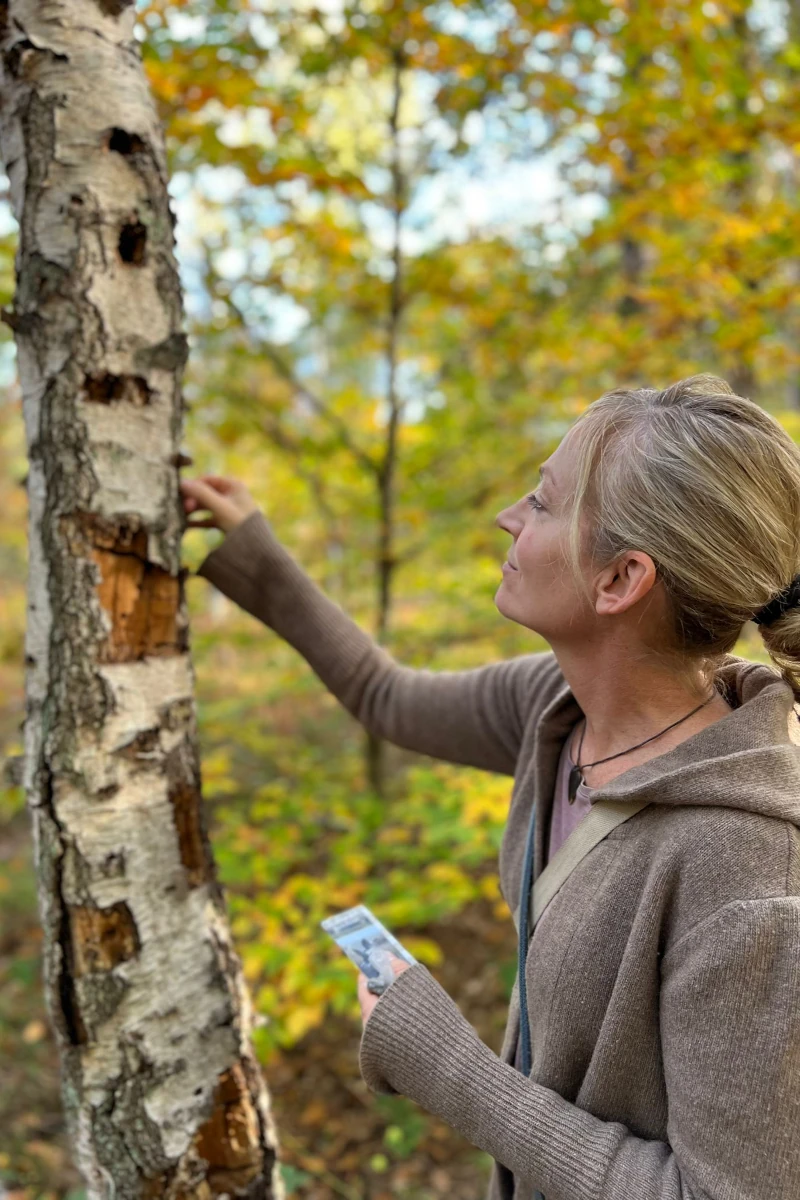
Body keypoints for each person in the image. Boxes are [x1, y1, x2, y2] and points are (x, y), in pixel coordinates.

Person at [180, 374, 800, 1200]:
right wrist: (254, 548)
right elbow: (386, 696)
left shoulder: (749, 872)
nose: (509, 517)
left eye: (543, 503)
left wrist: (445, 1065)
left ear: (621, 580)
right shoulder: (554, 708)